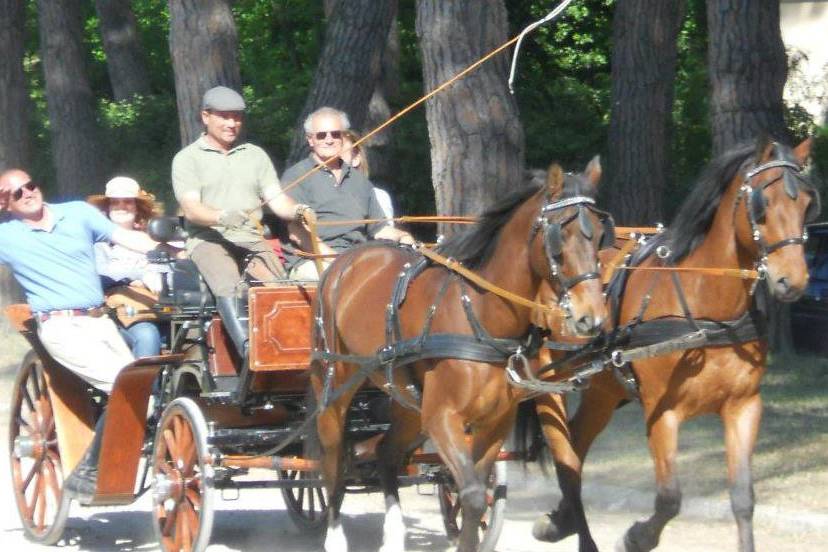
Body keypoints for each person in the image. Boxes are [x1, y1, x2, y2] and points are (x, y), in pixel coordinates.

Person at [0, 168, 161, 501]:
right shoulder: (7, 235)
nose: (27, 193)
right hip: (61, 327)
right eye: (16, 193)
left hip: (100, 321)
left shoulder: (77, 213)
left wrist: (172, 250)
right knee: (126, 389)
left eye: (30, 185)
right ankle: (87, 471)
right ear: (6, 202)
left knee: (142, 393)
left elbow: (128, 238)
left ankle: (125, 449)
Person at [171, 85, 316, 360]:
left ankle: (293, 352)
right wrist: (222, 216)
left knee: (281, 287)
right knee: (230, 288)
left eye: (236, 117)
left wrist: (298, 211)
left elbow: (277, 200)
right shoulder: (187, 159)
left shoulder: (254, 155)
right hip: (209, 240)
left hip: (250, 238)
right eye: (224, 116)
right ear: (206, 116)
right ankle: (251, 352)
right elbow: (191, 209)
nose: (231, 123)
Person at [282, 107, 414, 280]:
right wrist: (337, 261)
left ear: (342, 137)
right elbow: (297, 233)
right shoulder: (296, 177)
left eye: (335, 134)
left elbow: (379, 228)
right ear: (310, 140)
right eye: (321, 135)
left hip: (358, 259)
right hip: (312, 260)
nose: (329, 140)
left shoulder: (360, 182)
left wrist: (404, 237)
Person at [88, 176, 164, 358]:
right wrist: (140, 275)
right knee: (147, 335)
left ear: (137, 207)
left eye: (128, 202)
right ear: (107, 207)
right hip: (114, 314)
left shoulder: (154, 240)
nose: (122, 206)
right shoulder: (97, 243)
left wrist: (155, 276)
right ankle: (143, 387)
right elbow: (101, 272)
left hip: (161, 308)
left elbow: (169, 269)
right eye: (115, 202)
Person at [342, 129, 395, 224]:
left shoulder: (377, 197)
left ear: (356, 158)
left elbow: (385, 235)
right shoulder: (311, 194)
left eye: (340, 149)